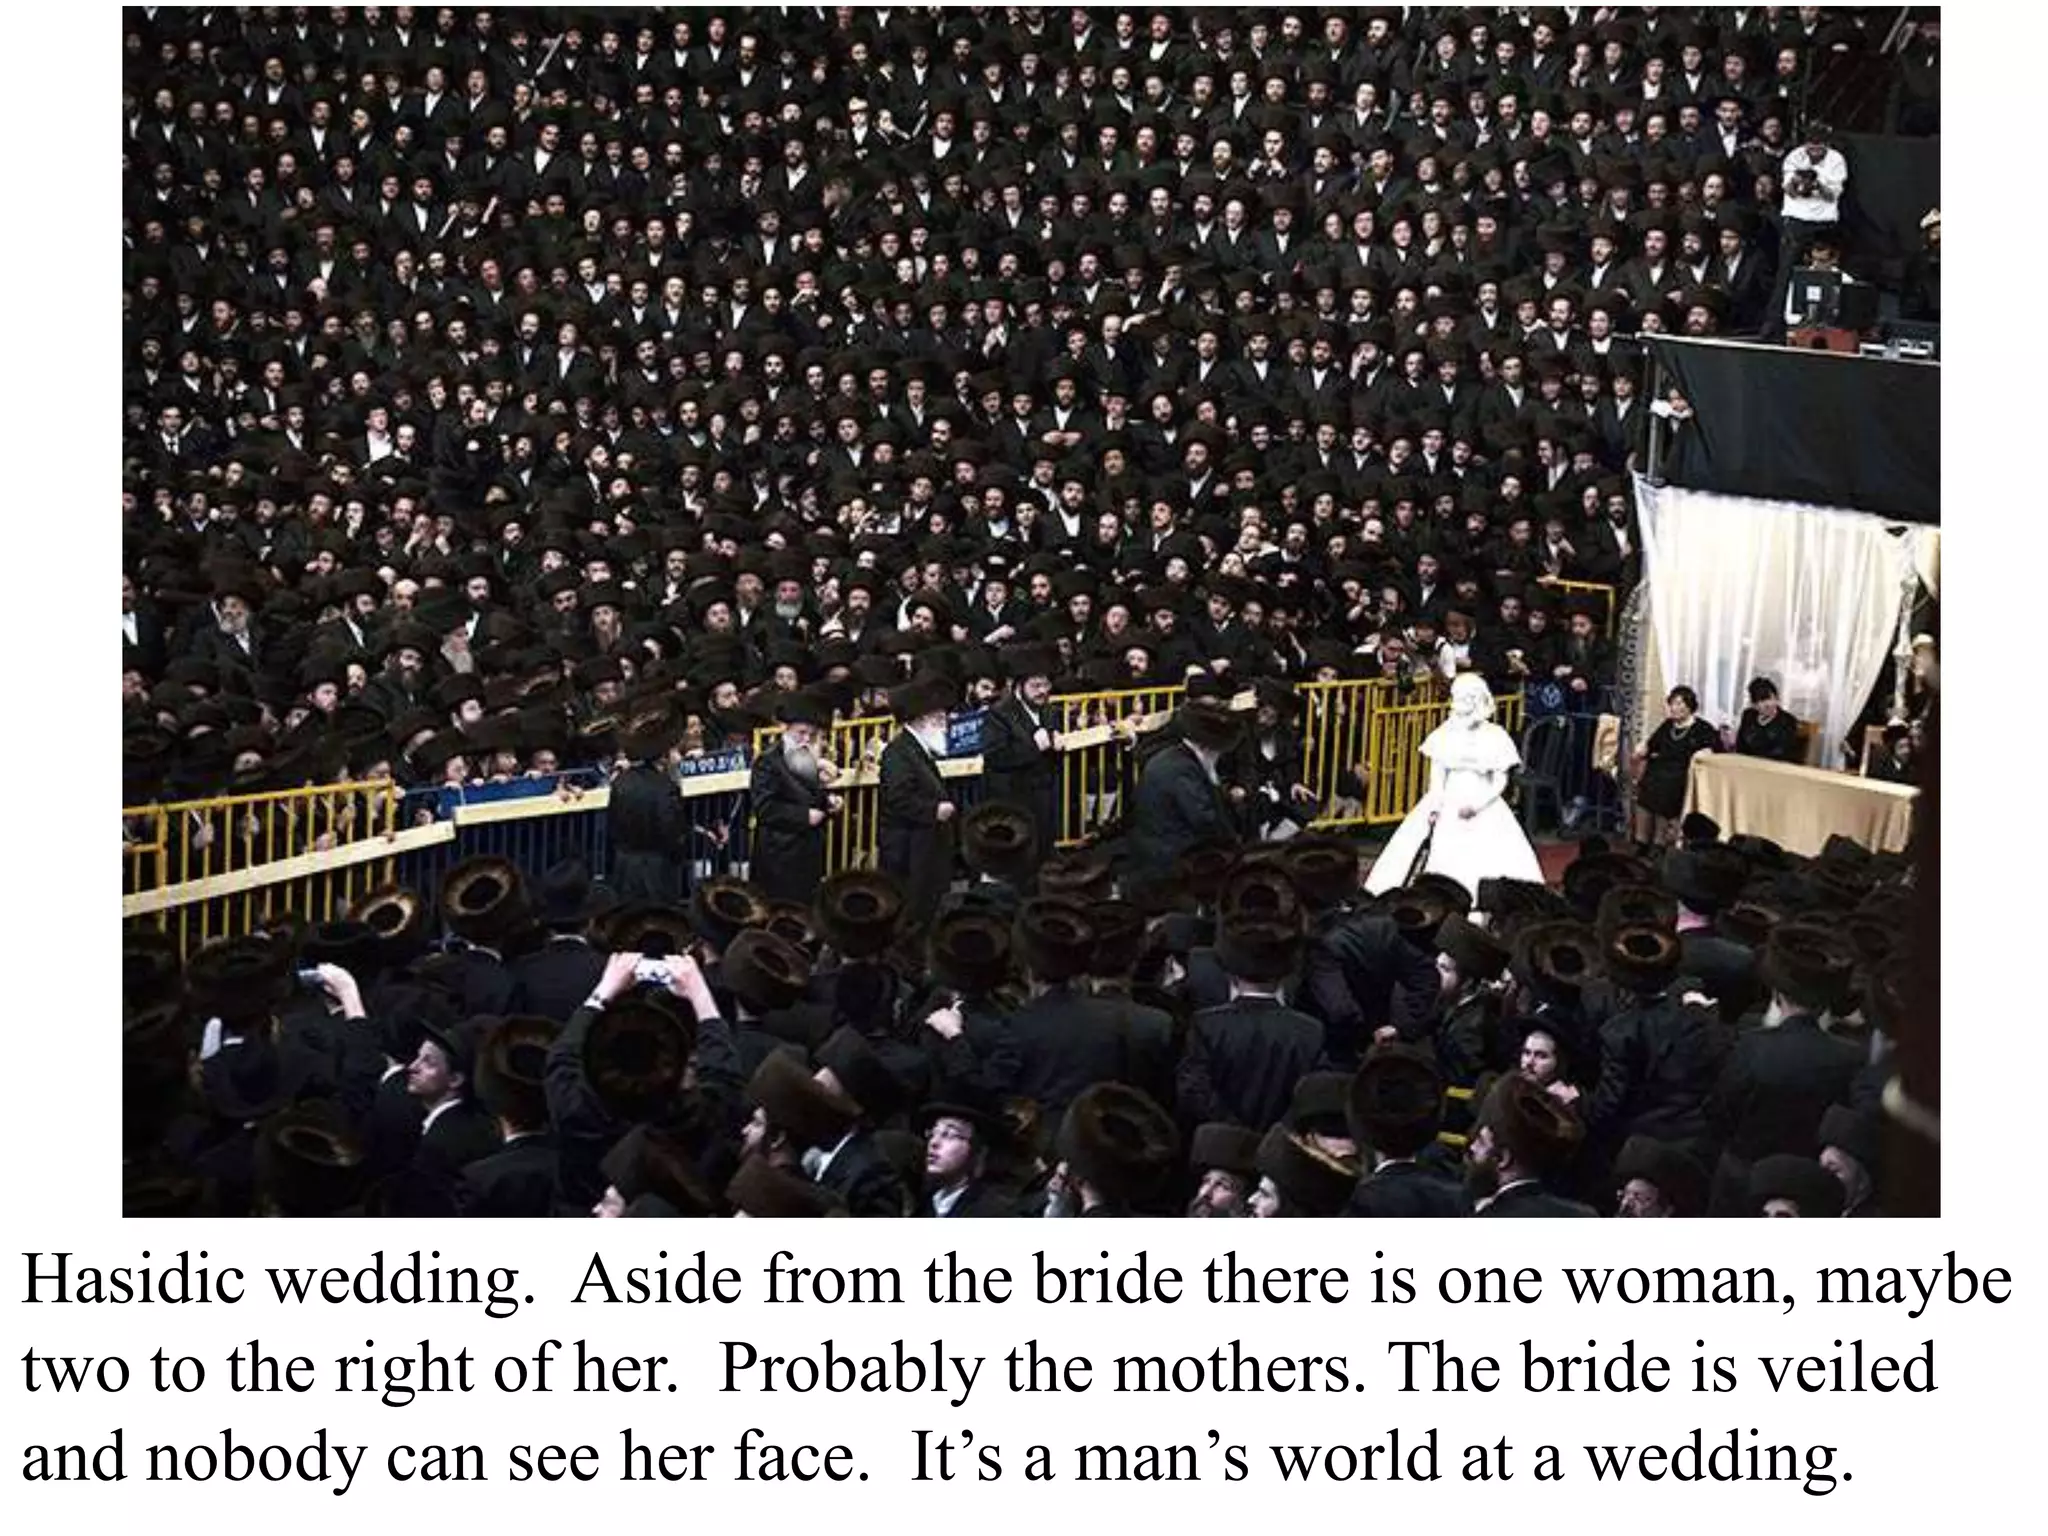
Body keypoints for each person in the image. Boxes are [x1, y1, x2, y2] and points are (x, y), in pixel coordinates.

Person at [1365, 671, 1542, 900]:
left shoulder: (1495, 735)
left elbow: (1500, 779)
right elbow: (1436, 778)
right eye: (1457, 698)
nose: (1460, 705)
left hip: (1483, 803)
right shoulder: (1444, 734)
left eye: (1466, 699)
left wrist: (1477, 805)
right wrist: (1435, 807)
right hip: (1447, 799)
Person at [877, 672, 959, 927]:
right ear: (924, 720)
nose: (945, 727)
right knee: (911, 914)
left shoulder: (917, 751)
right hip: (908, 851)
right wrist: (933, 810)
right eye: (939, 720)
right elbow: (898, 797)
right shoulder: (898, 752)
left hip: (923, 847)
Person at [748, 690, 841, 903]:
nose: (806, 739)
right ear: (786, 729)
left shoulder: (806, 759)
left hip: (807, 852)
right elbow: (765, 808)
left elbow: (811, 798)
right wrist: (803, 816)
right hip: (779, 855)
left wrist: (829, 804)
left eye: (812, 734)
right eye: (801, 733)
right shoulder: (768, 762)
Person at [1631, 686, 1716, 850]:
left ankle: (1659, 843)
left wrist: (1703, 753)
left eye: (1680, 703)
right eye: (1673, 704)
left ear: (1690, 706)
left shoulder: (1702, 728)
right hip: (1660, 769)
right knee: (1647, 787)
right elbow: (1652, 744)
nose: (1675, 708)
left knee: (1666, 789)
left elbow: (1712, 748)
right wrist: (1643, 748)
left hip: (1682, 772)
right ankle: (1641, 840)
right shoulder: (1668, 725)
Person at [1735, 677, 1803, 763]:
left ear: (1776, 698)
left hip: (1774, 768)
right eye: (1759, 701)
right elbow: (1740, 747)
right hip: (1747, 765)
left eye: (1768, 699)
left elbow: (1784, 754)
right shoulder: (1748, 715)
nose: (1765, 704)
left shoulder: (1788, 721)